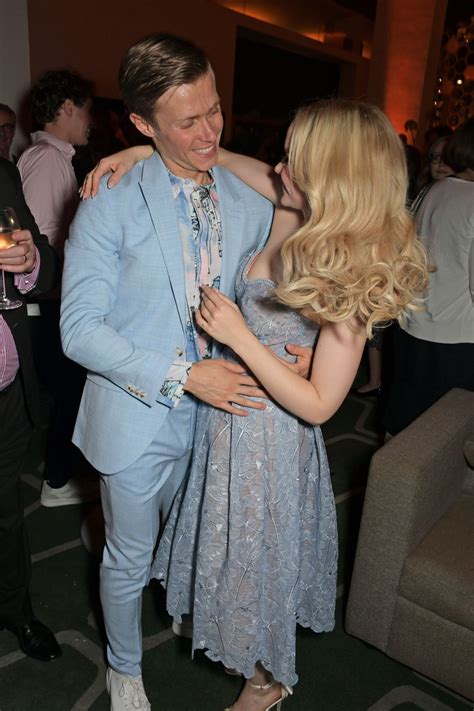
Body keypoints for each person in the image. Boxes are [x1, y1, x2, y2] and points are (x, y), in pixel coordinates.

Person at [86, 99, 429, 710]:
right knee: (227, 562)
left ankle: (265, 685)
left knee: (255, 569)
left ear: (331, 177)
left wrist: (243, 337)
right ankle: (252, 667)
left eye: (294, 159)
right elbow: (218, 158)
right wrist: (144, 150)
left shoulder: (349, 261)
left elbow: (321, 405)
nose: (278, 166)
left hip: (269, 444)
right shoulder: (290, 204)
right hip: (227, 423)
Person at [60, 33, 309, 711]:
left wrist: (311, 341)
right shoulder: (108, 200)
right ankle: (124, 666)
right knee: (129, 555)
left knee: (205, 543)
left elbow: (292, 271)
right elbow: (78, 331)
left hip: (229, 418)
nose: (210, 133)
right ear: (142, 123)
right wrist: (185, 376)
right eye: (188, 121)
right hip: (138, 413)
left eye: (215, 110)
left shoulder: (250, 197)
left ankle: (189, 609)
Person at [17, 69, 99, 508]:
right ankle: (57, 479)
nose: (90, 120)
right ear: (67, 107)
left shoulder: (48, 156)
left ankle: (60, 472)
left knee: (70, 389)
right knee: (72, 390)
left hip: (47, 301)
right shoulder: (47, 159)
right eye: (86, 109)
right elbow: (38, 242)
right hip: (46, 303)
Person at [0, 157, 61, 661]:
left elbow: (45, 261)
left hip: (8, 389)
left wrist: (31, 262)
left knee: (5, 510)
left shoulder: (2, 173)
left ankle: (15, 609)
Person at [384, 118, 474, 436]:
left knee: (403, 421)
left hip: (413, 325)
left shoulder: (433, 190)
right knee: (442, 436)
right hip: (456, 338)